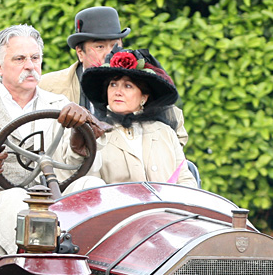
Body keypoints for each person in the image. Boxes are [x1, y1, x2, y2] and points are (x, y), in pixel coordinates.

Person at [0, 24, 106, 255]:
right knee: (19, 201)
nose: (30, 66)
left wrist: (80, 139)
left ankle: (99, 267)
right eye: (19, 59)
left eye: (35, 58)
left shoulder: (60, 105)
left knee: (93, 187)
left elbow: (83, 168)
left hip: (53, 193)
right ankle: (42, 273)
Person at [39, 6, 189, 147]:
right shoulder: (49, 87)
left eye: (115, 45)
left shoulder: (141, 78)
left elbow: (178, 136)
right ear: (80, 52)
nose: (109, 53)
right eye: (100, 47)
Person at [79, 48, 197, 189]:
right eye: (113, 84)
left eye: (128, 86)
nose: (118, 92)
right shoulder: (95, 135)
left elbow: (186, 181)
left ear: (143, 97)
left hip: (169, 209)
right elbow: (92, 190)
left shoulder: (166, 133)